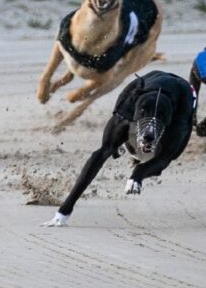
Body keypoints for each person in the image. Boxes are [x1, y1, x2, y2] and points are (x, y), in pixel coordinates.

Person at [42, 70, 196, 227]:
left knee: (172, 153)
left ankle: (136, 154)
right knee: (108, 146)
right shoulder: (130, 104)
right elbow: (100, 154)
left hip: (181, 94)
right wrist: (63, 211)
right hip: (147, 84)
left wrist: (138, 174)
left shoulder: (180, 113)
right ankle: (63, 213)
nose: (150, 128)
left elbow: (163, 161)